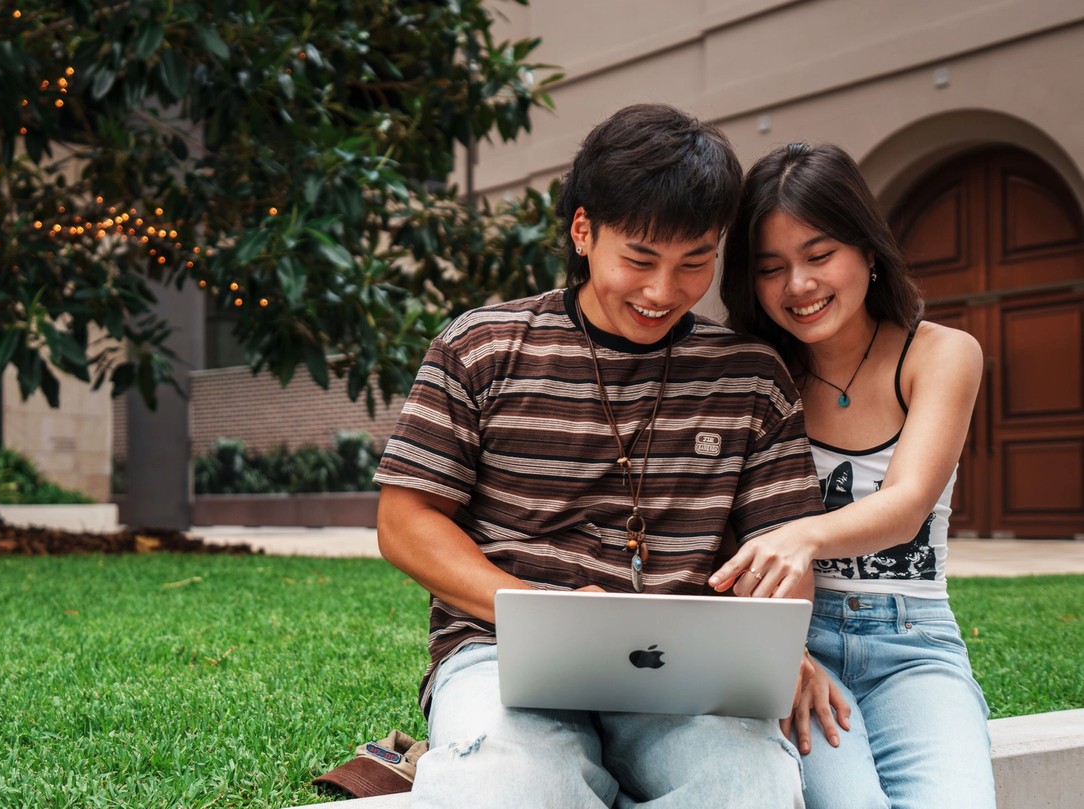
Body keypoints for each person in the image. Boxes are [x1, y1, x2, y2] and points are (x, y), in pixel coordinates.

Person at [372, 103, 827, 808]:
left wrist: (776, 645)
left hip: (689, 671)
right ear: (583, 230)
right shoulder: (482, 347)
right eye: (639, 258)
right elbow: (405, 521)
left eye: (694, 263)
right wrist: (545, 612)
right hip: (501, 651)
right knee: (510, 786)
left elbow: (782, 546)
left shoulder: (752, 376)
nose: (662, 291)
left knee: (753, 787)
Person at [712, 142, 993, 808]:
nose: (799, 286)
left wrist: (802, 536)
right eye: (771, 267)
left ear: (868, 249)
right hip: (794, 641)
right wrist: (772, 653)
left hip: (914, 640)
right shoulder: (752, 374)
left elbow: (905, 502)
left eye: (819, 254)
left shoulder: (942, 353)